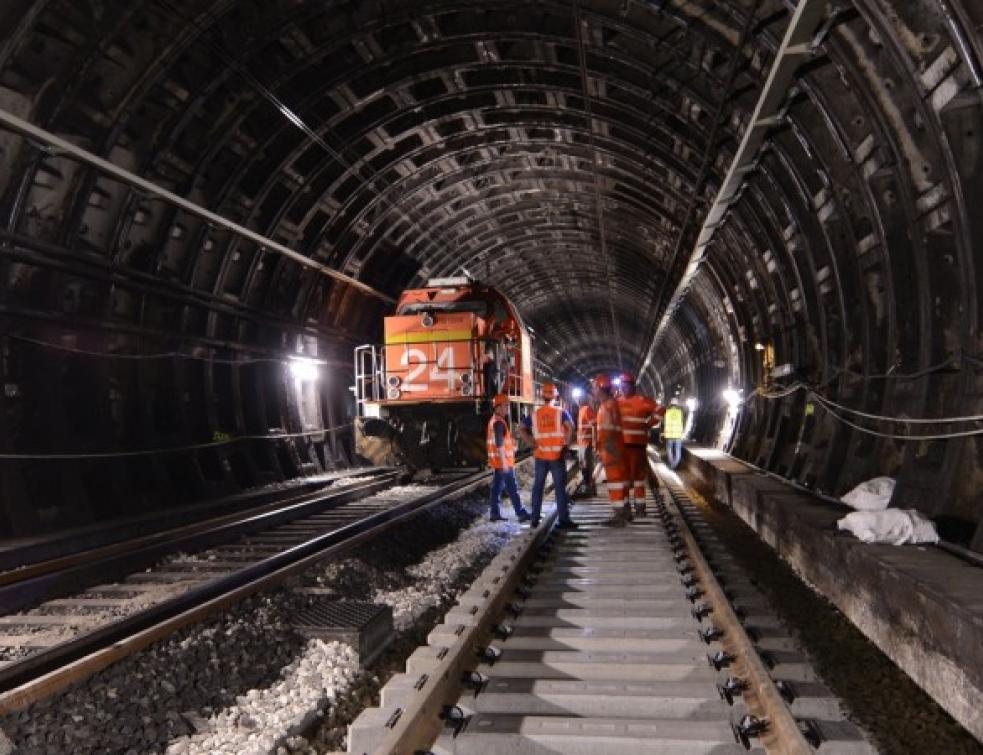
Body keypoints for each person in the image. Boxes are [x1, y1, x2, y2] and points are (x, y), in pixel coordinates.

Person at [519, 383, 577, 529]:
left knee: (538, 487)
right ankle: (563, 520)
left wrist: (532, 442)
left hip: (540, 456)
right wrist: (566, 445)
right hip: (556, 456)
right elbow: (571, 427)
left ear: (541, 396)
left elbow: (521, 428)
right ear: (556, 396)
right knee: (559, 488)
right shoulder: (561, 413)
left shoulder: (535, 414)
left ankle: (534, 519)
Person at [617, 372, 663, 517]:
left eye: (627, 385)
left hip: (637, 446)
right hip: (622, 446)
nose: (624, 388)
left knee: (637, 478)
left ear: (633, 386)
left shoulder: (643, 401)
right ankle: (625, 506)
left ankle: (640, 508)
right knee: (623, 478)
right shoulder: (617, 403)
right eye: (622, 386)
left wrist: (649, 423)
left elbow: (661, 410)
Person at [486, 394, 531, 522]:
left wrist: (513, 446)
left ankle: (494, 513)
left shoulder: (494, 420)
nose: (508, 409)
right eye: (506, 406)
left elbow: (501, 442)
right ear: (498, 407)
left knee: (496, 488)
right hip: (503, 462)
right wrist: (505, 462)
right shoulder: (499, 423)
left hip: (499, 462)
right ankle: (521, 514)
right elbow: (499, 443)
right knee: (512, 487)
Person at [593, 374, 629, 526]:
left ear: (600, 388)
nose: (593, 391)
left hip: (611, 448)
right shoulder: (611, 404)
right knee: (621, 480)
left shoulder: (607, 406)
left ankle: (619, 516)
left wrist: (603, 451)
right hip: (615, 447)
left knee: (614, 482)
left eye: (594, 387)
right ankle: (626, 511)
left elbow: (607, 432)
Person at [576, 394, 597, 496]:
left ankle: (588, 487)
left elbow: (594, 425)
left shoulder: (586, 409)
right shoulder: (581, 410)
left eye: (578, 397)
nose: (576, 399)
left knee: (586, 465)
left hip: (586, 443)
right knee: (583, 465)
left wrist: (594, 442)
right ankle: (588, 486)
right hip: (582, 443)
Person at [663, 398, 686, 469]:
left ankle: (672, 464)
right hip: (678, 435)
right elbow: (683, 422)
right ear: (677, 404)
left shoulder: (667, 412)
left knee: (669, 449)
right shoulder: (680, 412)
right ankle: (674, 465)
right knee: (678, 451)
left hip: (669, 434)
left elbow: (664, 422)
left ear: (670, 404)